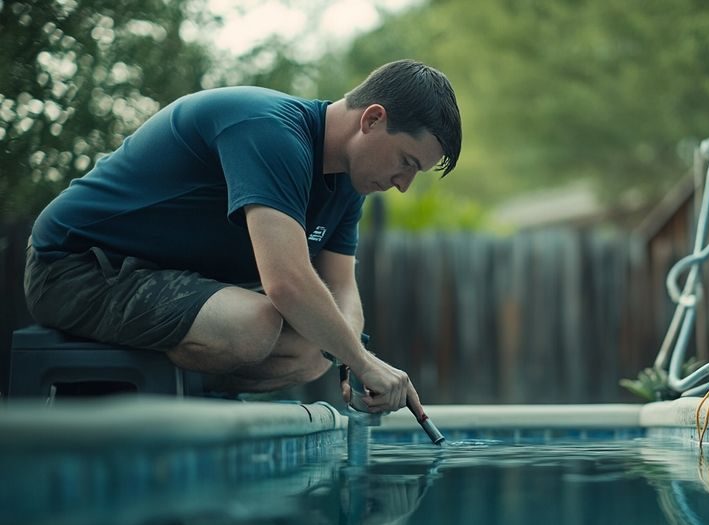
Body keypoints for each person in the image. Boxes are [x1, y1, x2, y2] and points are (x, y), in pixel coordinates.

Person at [24, 60, 461, 415]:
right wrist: (366, 362)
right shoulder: (270, 130)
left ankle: (159, 389)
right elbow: (286, 283)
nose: (404, 183)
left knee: (313, 353)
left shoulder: (347, 183)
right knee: (253, 325)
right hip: (75, 267)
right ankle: (127, 394)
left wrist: (351, 363)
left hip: (171, 279)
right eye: (406, 161)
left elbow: (342, 285)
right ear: (372, 118)